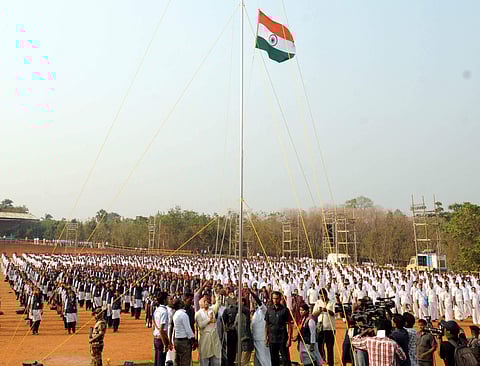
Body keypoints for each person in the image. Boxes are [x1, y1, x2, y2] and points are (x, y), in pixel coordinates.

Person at [265, 290, 293, 366]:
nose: (275, 300)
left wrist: (289, 339)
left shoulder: (285, 310)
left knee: (286, 359)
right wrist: (266, 337)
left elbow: (290, 325)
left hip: (282, 339)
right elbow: (267, 324)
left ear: (280, 298)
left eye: (277, 298)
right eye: (274, 298)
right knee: (274, 360)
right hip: (272, 338)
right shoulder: (269, 309)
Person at [195, 295, 222, 366]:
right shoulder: (198, 314)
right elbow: (201, 325)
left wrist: (217, 296)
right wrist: (209, 320)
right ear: (200, 303)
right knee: (204, 361)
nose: (206, 303)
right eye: (204, 301)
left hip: (214, 338)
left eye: (207, 301)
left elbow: (217, 304)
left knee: (216, 361)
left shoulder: (211, 310)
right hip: (205, 340)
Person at [313, 288, 336, 366]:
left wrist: (327, 310)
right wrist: (320, 311)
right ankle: (321, 361)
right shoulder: (318, 302)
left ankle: (331, 363)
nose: (322, 297)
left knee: (330, 348)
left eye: (324, 295)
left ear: (326, 294)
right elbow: (314, 314)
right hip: (320, 329)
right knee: (319, 347)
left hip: (330, 328)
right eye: (321, 296)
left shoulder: (332, 302)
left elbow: (334, 313)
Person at [172, 299, 197, 366]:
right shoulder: (183, 315)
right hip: (184, 341)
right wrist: (193, 340)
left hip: (177, 340)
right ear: (180, 305)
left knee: (178, 362)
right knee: (185, 362)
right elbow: (188, 330)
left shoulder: (175, 314)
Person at [153, 292, 171, 366]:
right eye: (167, 298)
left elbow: (154, 323)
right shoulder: (164, 311)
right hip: (161, 338)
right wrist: (165, 344)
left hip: (156, 337)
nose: (168, 300)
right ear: (164, 300)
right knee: (161, 361)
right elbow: (161, 330)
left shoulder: (157, 310)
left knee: (157, 360)